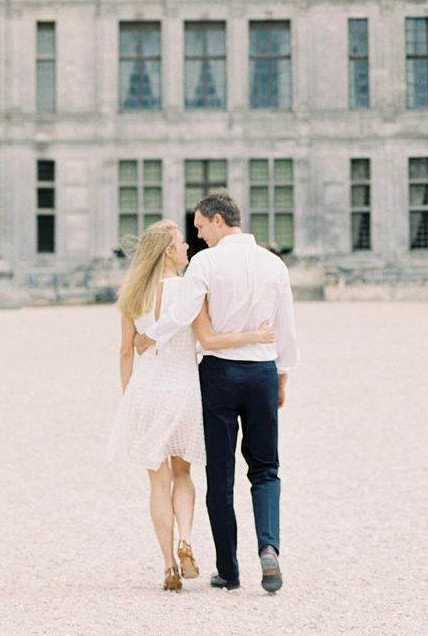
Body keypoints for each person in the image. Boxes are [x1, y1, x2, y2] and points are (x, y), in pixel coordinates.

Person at [137, 194, 300, 595]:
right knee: (265, 469)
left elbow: (182, 314)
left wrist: (150, 335)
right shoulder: (273, 263)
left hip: (219, 374)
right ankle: (268, 547)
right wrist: (282, 375)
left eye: (199, 227)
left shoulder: (206, 263)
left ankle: (228, 569)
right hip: (261, 371)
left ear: (217, 221)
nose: (196, 237)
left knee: (220, 475)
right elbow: (286, 327)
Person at [107, 219, 274, 592]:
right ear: (168, 252)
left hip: (147, 391)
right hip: (183, 390)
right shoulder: (189, 290)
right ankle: (186, 540)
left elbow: (124, 350)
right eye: (182, 243)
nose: (188, 247)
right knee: (183, 474)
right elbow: (208, 339)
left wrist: (128, 395)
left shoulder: (133, 295)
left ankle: (168, 564)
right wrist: (257, 336)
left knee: (157, 480)